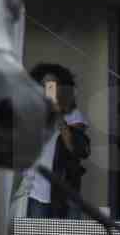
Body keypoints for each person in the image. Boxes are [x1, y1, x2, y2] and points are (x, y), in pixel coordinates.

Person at [25, 62, 90, 218]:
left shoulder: (73, 114)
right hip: (35, 189)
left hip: (65, 187)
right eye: (44, 85)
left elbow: (74, 148)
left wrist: (57, 113)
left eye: (52, 86)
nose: (48, 90)